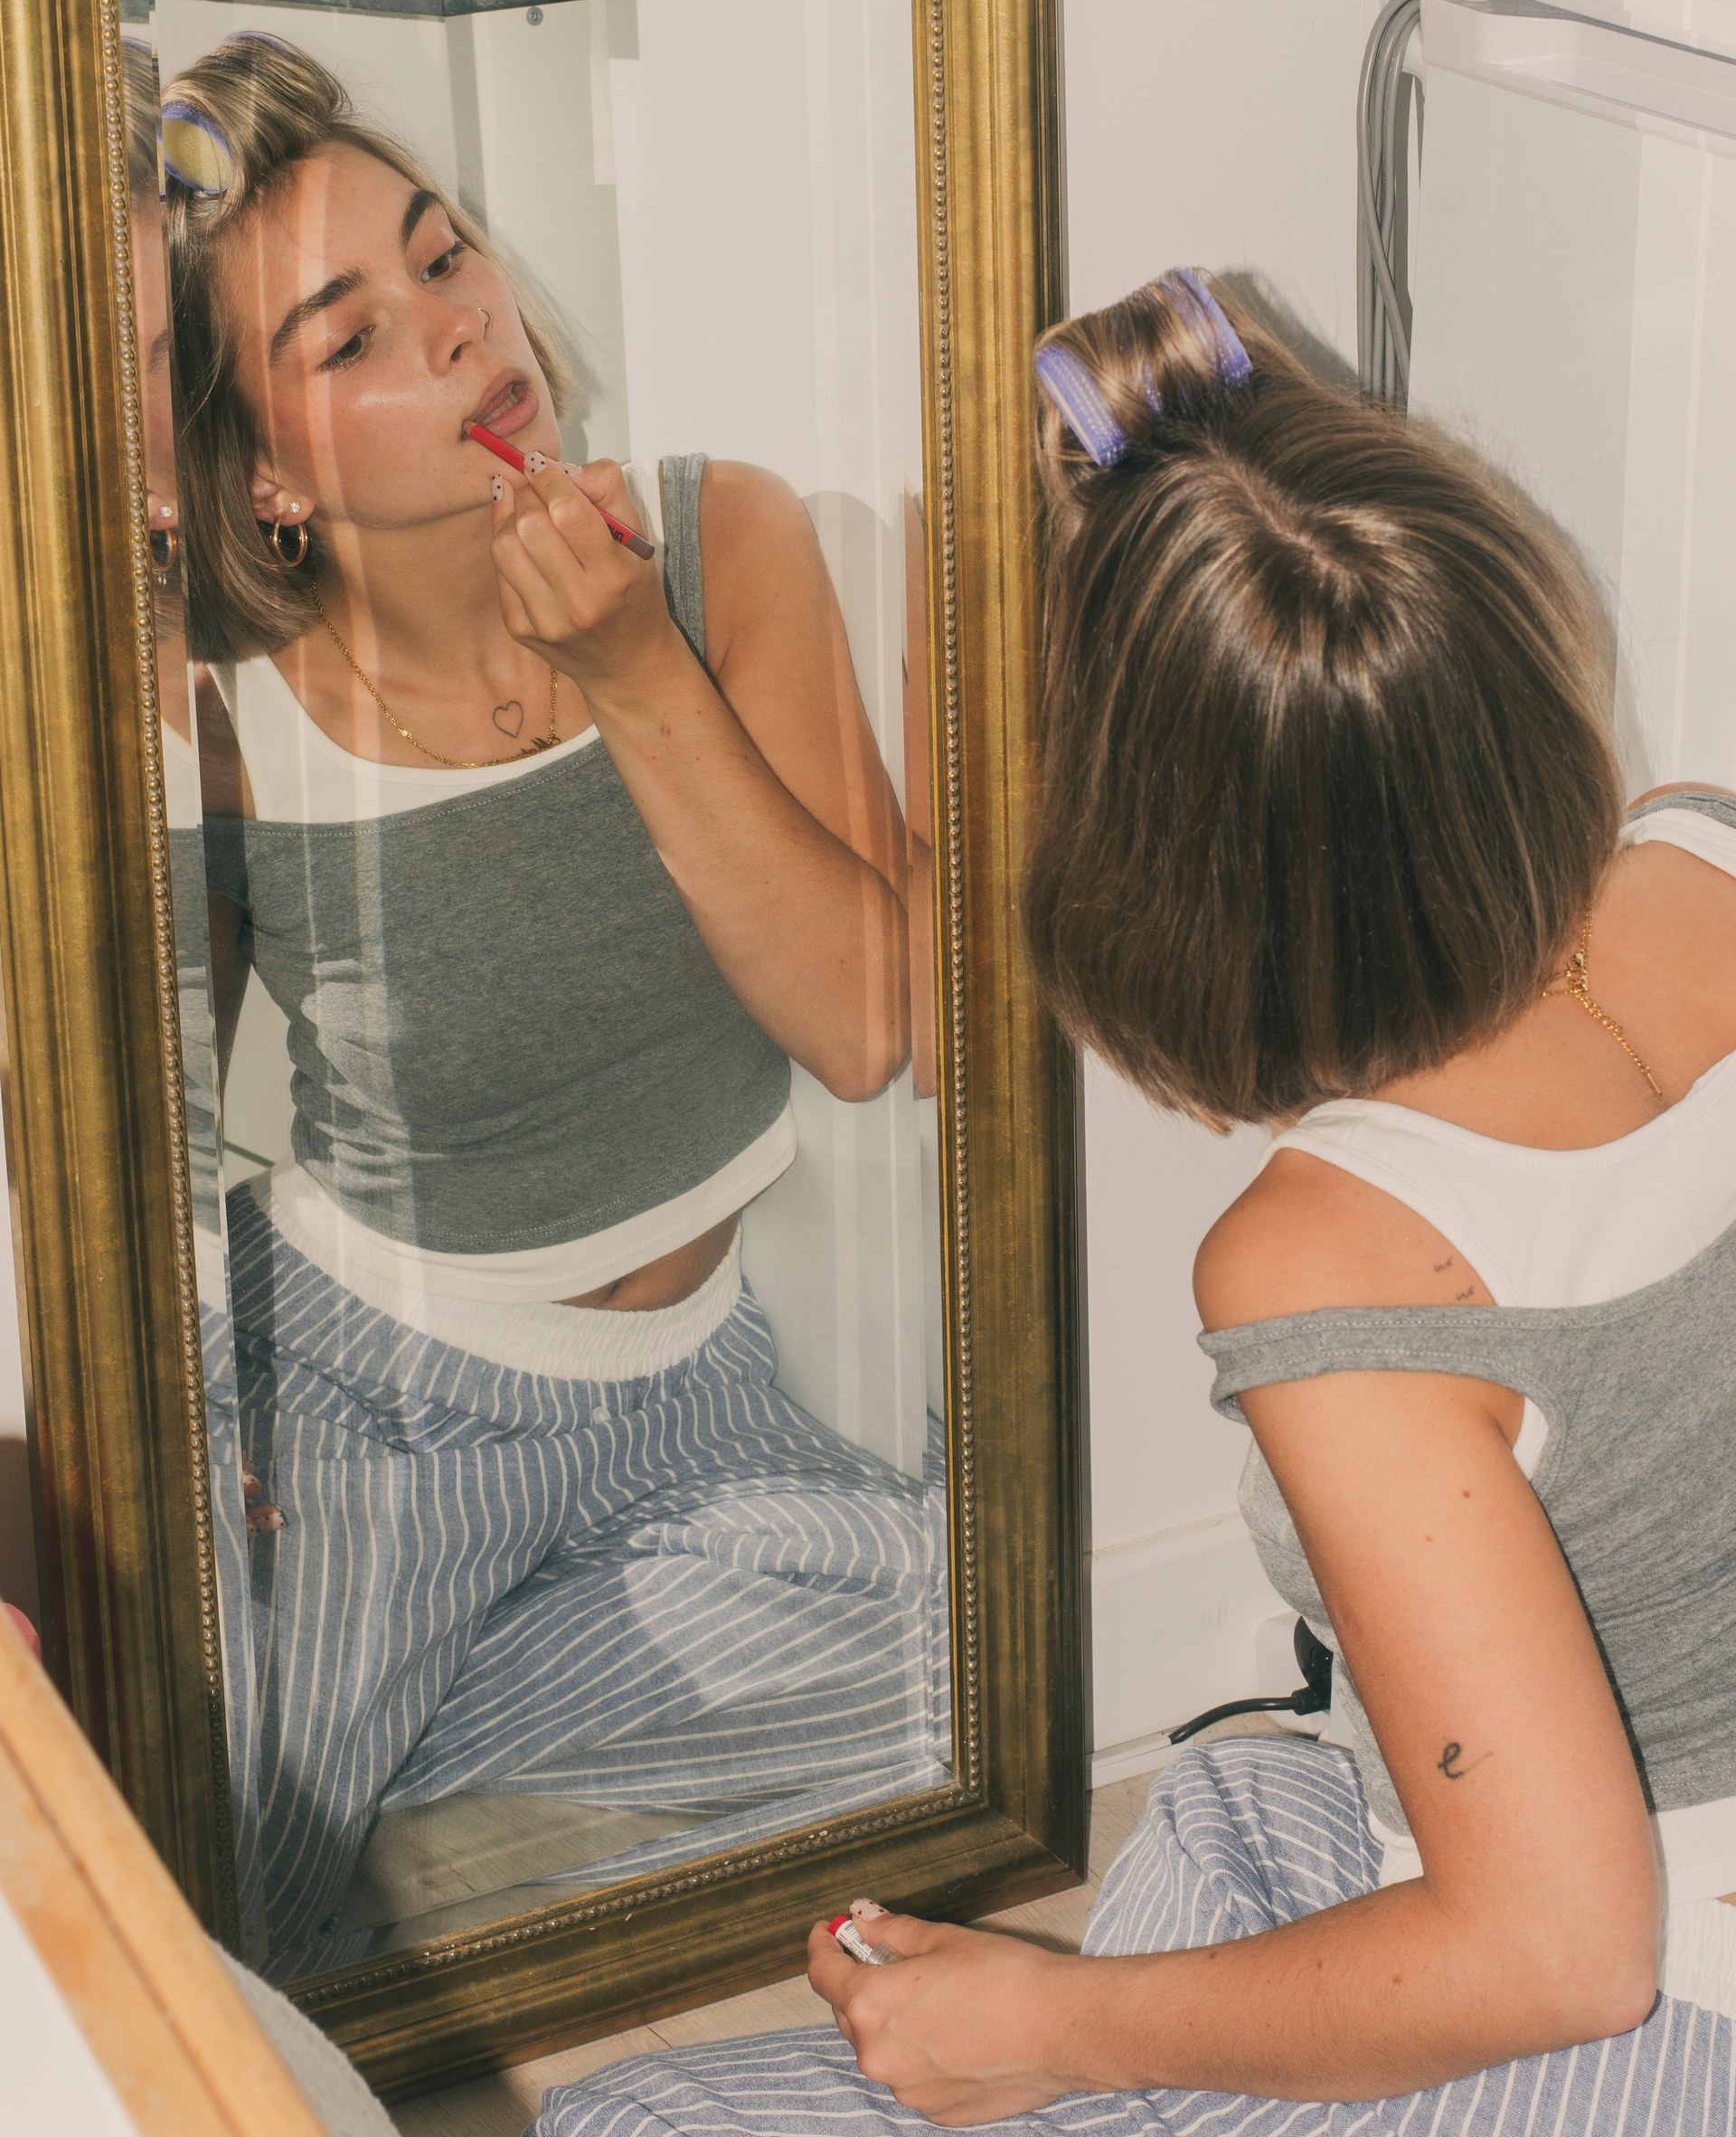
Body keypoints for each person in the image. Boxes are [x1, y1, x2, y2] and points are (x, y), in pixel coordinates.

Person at [529, 268, 1736, 2134]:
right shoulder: (1706, 846)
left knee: (627, 2119)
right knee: (1234, 1806)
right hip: (1611, 1864)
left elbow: (1558, 1953)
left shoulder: (1332, 1261)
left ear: (1146, 866)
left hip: (1647, 2017)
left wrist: (1047, 2023)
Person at [162, 33, 948, 1980]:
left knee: (970, 1684)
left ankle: (412, 1781)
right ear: (266, 474)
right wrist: (189, 1423)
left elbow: (868, 1027)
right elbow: (136, 1115)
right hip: (364, 1404)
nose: (458, 326)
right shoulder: (222, 713)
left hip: (697, 1397)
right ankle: (366, 1783)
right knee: (213, 1909)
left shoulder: (722, 541)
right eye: (353, 337)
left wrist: (635, 669)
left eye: (444, 256)